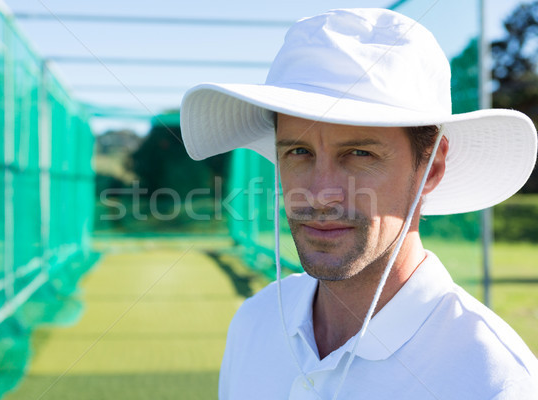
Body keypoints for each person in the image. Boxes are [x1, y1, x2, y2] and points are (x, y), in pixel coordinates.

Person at [180, 8, 538, 400]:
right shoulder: (254, 322)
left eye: (359, 153)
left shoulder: (492, 381)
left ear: (431, 168)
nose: (319, 193)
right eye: (299, 151)